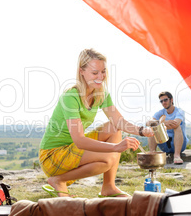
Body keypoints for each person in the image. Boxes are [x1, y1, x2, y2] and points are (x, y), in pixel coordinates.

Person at [38, 48, 154, 198]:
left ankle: (109, 187)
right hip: (53, 155)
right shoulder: (71, 97)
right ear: (81, 72)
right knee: (107, 160)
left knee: (114, 127)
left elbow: (118, 121)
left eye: (103, 71)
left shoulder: (101, 93)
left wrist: (142, 131)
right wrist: (116, 147)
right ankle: (58, 180)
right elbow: (79, 140)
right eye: (95, 73)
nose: (101, 77)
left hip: (71, 148)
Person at [147, 91, 189, 164]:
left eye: (165, 100)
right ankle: (152, 154)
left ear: (171, 100)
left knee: (177, 127)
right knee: (152, 128)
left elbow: (175, 124)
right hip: (164, 144)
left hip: (179, 145)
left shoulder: (179, 111)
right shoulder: (160, 112)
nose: (163, 102)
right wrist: (162, 123)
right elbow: (148, 123)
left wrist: (160, 124)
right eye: (161, 101)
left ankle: (177, 156)